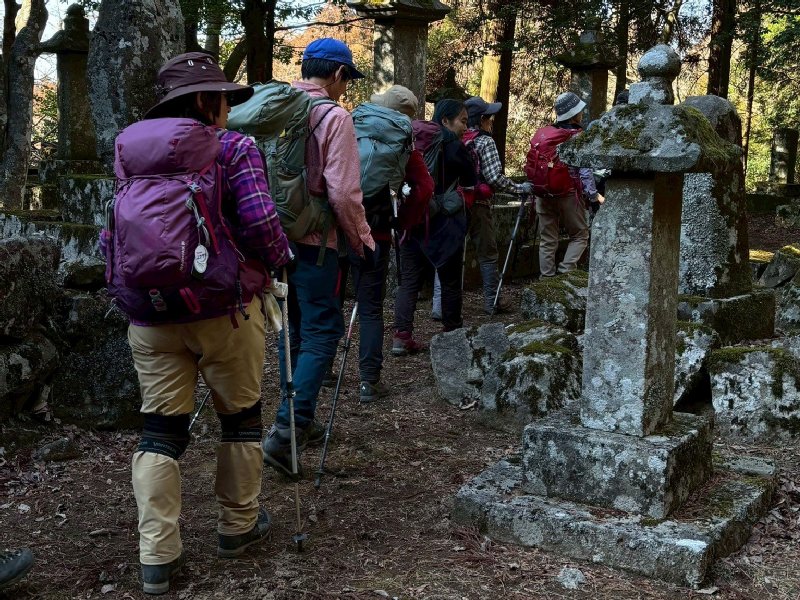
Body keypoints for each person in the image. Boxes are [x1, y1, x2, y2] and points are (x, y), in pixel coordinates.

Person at [117, 53, 293, 595]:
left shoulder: (129, 150)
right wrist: (279, 262)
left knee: (160, 429)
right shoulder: (234, 147)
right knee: (240, 418)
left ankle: (157, 555)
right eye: (222, 99)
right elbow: (260, 224)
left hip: (150, 311)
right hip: (224, 308)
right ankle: (237, 527)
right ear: (203, 100)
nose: (227, 110)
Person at [261, 39, 375, 474]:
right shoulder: (333, 116)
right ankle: (289, 427)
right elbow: (343, 193)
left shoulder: (273, 108)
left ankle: (293, 419)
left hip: (273, 239)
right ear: (338, 74)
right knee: (323, 332)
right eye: (347, 80)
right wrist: (363, 241)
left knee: (292, 330)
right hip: (315, 243)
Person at [348, 85, 432, 402]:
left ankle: (322, 370)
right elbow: (424, 188)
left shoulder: (352, 126)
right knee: (371, 308)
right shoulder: (404, 146)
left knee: (328, 302)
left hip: (338, 230)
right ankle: (369, 381)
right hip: (377, 233)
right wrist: (403, 222)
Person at [392, 99, 477, 354]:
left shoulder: (412, 142)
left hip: (412, 219)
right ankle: (452, 333)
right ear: (445, 120)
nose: (466, 127)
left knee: (409, 282)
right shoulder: (454, 146)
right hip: (444, 223)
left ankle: (401, 336)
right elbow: (471, 180)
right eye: (462, 121)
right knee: (450, 280)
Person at [462, 96, 533, 313]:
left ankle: (440, 306)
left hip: (454, 202)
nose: (491, 122)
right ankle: (492, 301)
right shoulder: (485, 142)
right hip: (479, 203)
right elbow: (494, 178)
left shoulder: (455, 137)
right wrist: (519, 188)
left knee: (451, 252)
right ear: (481, 120)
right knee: (488, 253)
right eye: (489, 118)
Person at [529, 92, 601, 277]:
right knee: (580, 235)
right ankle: (565, 271)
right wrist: (593, 196)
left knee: (547, 239)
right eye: (580, 111)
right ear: (574, 114)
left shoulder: (545, 133)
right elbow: (585, 171)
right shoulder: (577, 136)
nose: (582, 113)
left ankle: (546, 278)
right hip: (567, 193)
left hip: (543, 192)